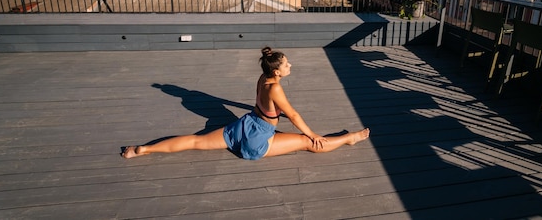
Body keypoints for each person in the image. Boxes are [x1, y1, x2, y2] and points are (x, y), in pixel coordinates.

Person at [121, 46, 370, 160]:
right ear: (277, 72)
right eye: (286, 64)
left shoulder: (263, 77)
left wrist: (273, 114)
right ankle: (348, 138)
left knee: (195, 140)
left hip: (243, 125)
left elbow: (265, 108)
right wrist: (313, 133)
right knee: (308, 143)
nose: (290, 66)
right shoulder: (276, 88)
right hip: (259, 136)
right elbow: (294, 116)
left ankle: (143, 149)